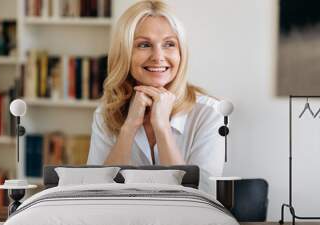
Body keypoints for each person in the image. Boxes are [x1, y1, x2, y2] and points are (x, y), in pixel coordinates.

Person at [87, 0, 224, 194]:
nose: (158, 56)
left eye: (169, 44)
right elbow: (96, 193)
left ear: (181, 53)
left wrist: (162, 127)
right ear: (124, 53)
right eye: (144, 45)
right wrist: (129, 127)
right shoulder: (106, 113)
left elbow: (202, 198)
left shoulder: (210, 113)